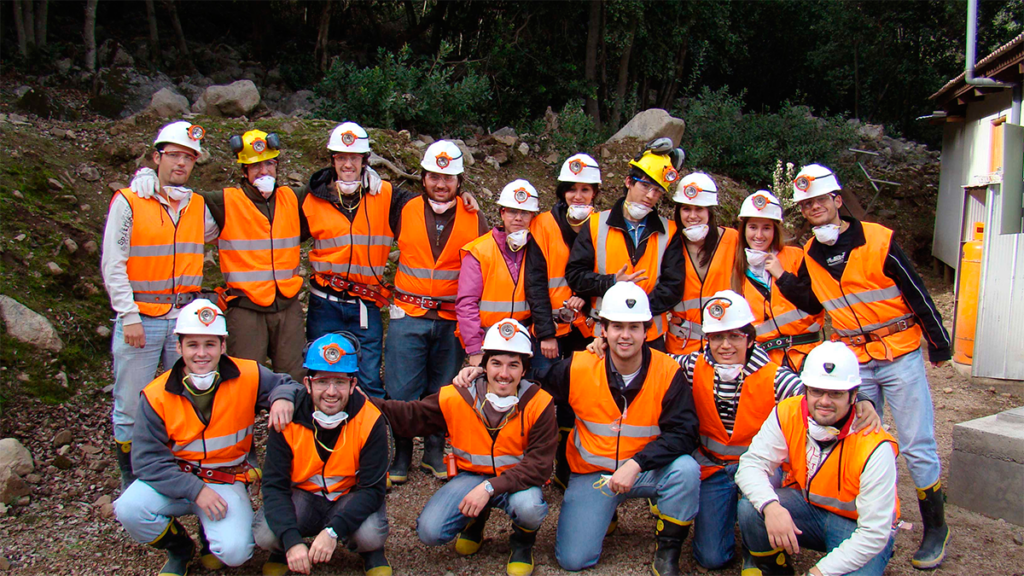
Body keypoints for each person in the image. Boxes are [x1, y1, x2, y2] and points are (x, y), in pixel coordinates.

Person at [768, 163, 952, 569]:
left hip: (899, 354)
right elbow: (815, 303)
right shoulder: (813, 253)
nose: (813, 208)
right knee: (856, 437)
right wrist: (781, 277)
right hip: (857, 362)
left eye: (819, 200)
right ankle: (863, 520)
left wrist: (939, 344)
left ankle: (935, 527)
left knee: (917, 443)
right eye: (806, 204)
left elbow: (915, 290)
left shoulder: (876, 239)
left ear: (836, 200)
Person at [459, 282, 702, 575]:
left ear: (646, 331)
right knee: (574, 560)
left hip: (645, 470)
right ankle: (605, 512)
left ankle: (668, 551)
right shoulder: (579, 366)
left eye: (634, 327)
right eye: (617, 327)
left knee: (686, 469)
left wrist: (637, 464)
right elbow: (534, 393)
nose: (625, 336)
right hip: (594, 474)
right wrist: (484, 375)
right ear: (603, 330)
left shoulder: (668, 371)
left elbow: (685, 432)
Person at [113, 299, 301, 576]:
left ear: (223, 347)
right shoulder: (155, 395)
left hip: (225, 479)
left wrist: (282, 397)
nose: (201, 353)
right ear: (178, 347)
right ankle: (180, 548)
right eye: (192, 345)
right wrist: (195, 490)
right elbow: (146, 462)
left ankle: (211, 534)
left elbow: (289, 384)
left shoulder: (247, 374)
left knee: (236, 552)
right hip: (175, 481)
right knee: (129, 509)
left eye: (210, 344)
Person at [304, 123, 479, 398]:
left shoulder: (386, 195)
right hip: (324, 303)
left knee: (370, 383)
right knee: (321, 373)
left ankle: (370, 438)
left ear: (365, 161)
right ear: (332, 160)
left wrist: (464, 199)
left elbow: (432, 203)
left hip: (367, 303)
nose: (348, 164)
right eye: (341, 158)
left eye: (355, 158)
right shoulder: (312, 197)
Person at [374, 319, 557, 576]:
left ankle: (523, 543)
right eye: (496, 363)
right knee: (430, 531)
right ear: (483, 366)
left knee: (529, 508)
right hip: (471, 477)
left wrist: (489, 488)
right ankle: (475, 521)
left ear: (524, 370)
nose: (504, 373)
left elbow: (539, 466)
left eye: (513, 365)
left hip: (518, 482)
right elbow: (411, 416)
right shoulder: (459, 395)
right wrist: (361, 402)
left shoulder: (539, 404)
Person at [128, 129, 306, 381]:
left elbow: (327, 187)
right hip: (245, 309)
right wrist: (152, 179)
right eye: (254, 166)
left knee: (294, 379)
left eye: (269, 163)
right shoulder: (224, 202)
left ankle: (290, 421)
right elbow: (178, 202)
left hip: (288, 308)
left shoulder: (293, 198)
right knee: (242, 381)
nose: (263, 171)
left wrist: (367, 173)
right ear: (244, 170)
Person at [102, 120, 215, 489]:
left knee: (185, 394)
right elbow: (113, 263)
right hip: (142, 319)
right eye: (175, 155)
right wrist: (127, 314)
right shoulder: (129, 200)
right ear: (157, 156)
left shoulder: (197, 205)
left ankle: (180, 468)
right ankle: (130, 478)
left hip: (185, 318)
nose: (181, 163)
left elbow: (231, 226)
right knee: (130, 403)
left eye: (189, 158)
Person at [735, 342, 900, 576]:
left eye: (835, 393)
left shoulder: (875, 446)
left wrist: (818, 572)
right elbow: (751, 464)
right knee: (753, 509)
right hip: (812, 511)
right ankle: (775, 570)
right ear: (806, 389)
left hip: (859, 529)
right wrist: (771, 507)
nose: (824, 401)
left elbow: (874, 533)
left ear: (854, 395)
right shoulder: (788, 411)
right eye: (816, 391)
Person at [385, 140, 488, 485]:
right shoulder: (403, 208)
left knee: (443, 387)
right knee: (401, 388)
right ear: (423, 177)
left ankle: (432, 452)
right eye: (433, 176)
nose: (440, 184)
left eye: (448, 178)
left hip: (450, 320)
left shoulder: (476, 218)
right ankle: (400, 455)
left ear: (460, 181)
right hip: (408, 315)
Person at [254, 332, 392, 576]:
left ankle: (368, 551)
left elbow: (373, 490)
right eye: (322, 382)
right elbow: (274, 486)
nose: (331, 391)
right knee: (265, 533)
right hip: (303, 497)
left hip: (349, 497)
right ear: (307, 384)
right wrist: (291, 539)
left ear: (353, 384)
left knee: (371, 534)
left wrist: (332, 532)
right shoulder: (287, 417)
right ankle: (287, 547)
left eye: (339, 382)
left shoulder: (371, 420)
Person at [524, 152, 601, 489]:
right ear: (561, 191)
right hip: (551, 330)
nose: (578, 196)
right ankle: (539, 465)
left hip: (586, 329)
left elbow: (604, 274)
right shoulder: (542, 224)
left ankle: (569, 466)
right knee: (546, 397)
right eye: (572, 189)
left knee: (580, 397)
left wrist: (586, 293)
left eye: (586, 190)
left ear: (596, 193)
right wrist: (546, 333)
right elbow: (535, 283)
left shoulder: (603, 225)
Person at [565, 139, 685, 350]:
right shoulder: (596, 224)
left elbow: (673, 286)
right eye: (645, 186)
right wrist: (610, 281)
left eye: (657, 191)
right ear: (629, 182)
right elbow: (575, 275)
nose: (650, 196)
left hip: (649, 335)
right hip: (602, 334)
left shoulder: (670, 232)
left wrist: (637, 312)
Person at [731, 190, 824, 370]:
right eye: (753, 227)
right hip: (763, 361)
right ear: (744, 230)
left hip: (807, 355)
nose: (759, 235)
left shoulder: (798, 257)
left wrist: (782, 276)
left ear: (775, 230)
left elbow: (815, 303)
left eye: (766, 227)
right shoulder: (736, 269)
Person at [456, 179, 540, 367]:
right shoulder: (480, 250)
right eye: (512, 211)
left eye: (525, 212)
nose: (518, 218)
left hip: (525, 339)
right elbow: (466, 303)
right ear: (502, 213)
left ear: (533, 216)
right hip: (489, 341)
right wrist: (475, 348)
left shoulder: (537, 249)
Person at [666, 172, 738, 355]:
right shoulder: (669, 243)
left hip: (723, 343)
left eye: (699, 209)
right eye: (686, 209)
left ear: (710, 212)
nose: (692, 216)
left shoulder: (732, 240)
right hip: (680, 344)